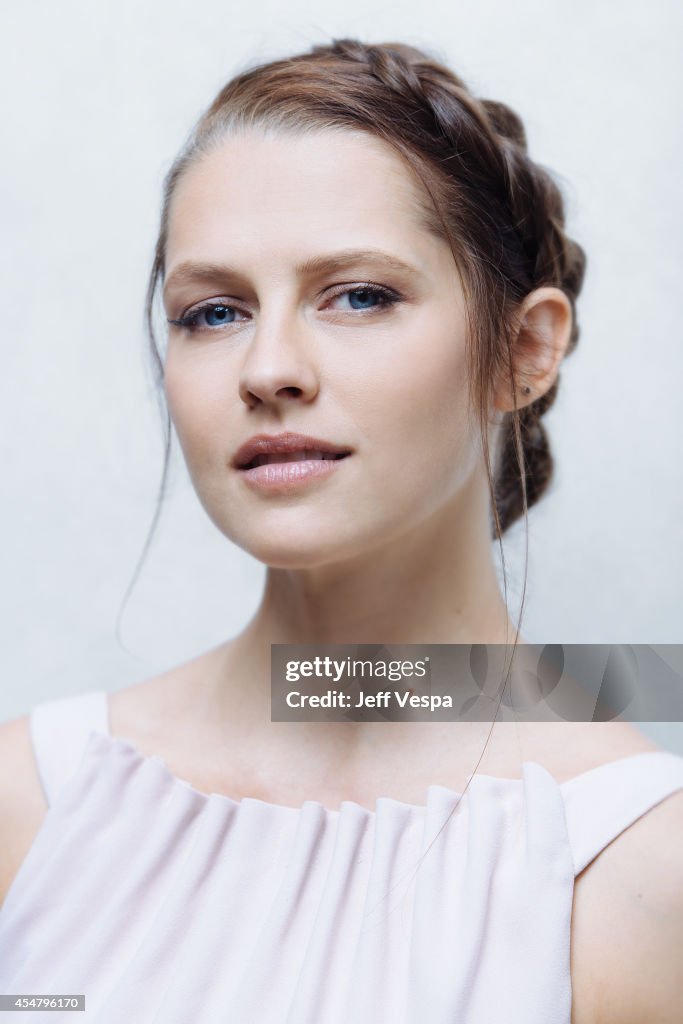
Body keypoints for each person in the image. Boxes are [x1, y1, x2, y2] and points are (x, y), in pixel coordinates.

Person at [1, 37, 682, 1024]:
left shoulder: (633, 872)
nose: (267, 368)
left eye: (359, 294)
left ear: (522, 351)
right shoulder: (34, 802)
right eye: (213, 311)